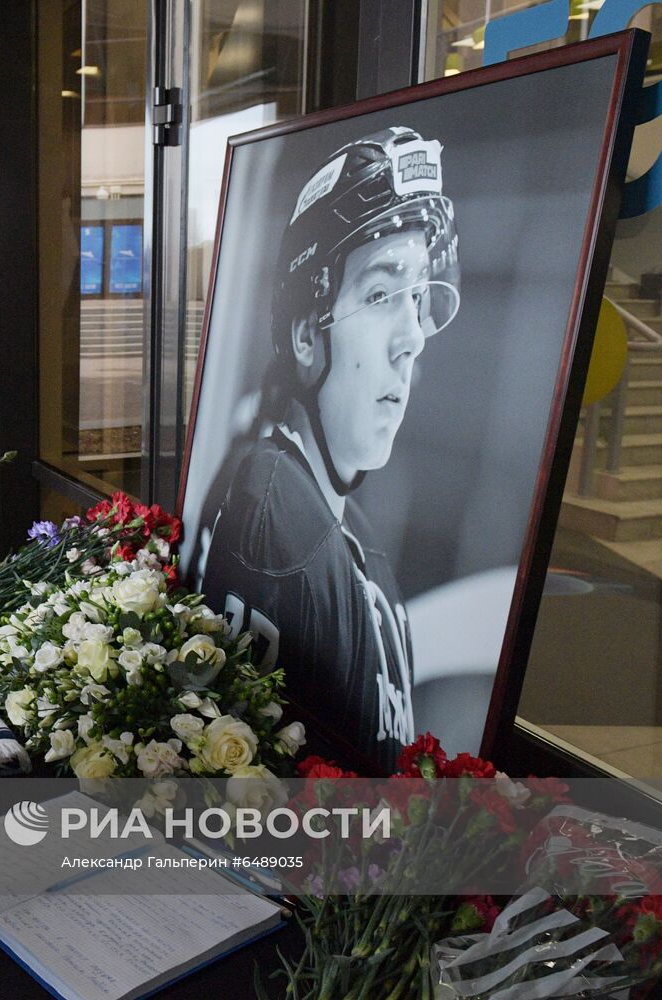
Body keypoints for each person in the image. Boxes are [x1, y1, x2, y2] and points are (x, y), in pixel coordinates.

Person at [199, 127, 461, 774]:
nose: (412, 339)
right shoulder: (276, 512)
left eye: (419, 296)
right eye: (379, 294)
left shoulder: (356, 540)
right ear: (306, 337)